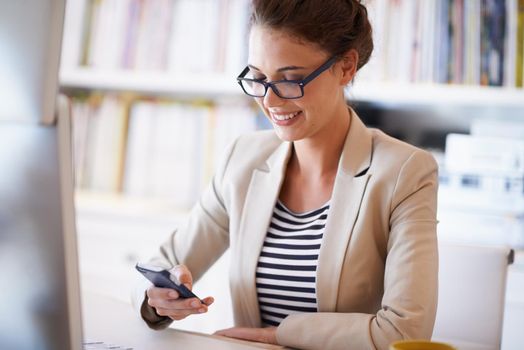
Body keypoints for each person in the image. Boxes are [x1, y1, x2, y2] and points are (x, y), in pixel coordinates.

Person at [135, 1, 439, 349]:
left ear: (346, 67)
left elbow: (406, 333)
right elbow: (159, 264)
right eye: (259, 78)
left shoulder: (404, 173)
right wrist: (158, 299)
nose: (270, 100)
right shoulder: (243, 160)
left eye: (291, 79)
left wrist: (276, 336)